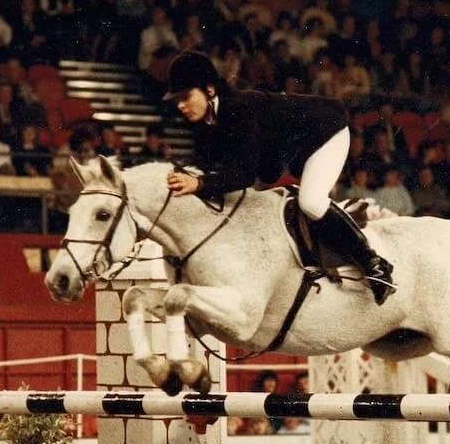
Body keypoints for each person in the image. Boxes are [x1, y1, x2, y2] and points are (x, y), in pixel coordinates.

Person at [163, 50, 395, 305]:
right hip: (293, 153)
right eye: (177, 100)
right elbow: (204, 165)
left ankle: (374, 264)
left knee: (311, 202)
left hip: (325, 134)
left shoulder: (240, 108)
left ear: (209, 90)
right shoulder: (205, 120)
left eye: (186, 97)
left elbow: (244, 175)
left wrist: (199, 183)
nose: (181, 105)